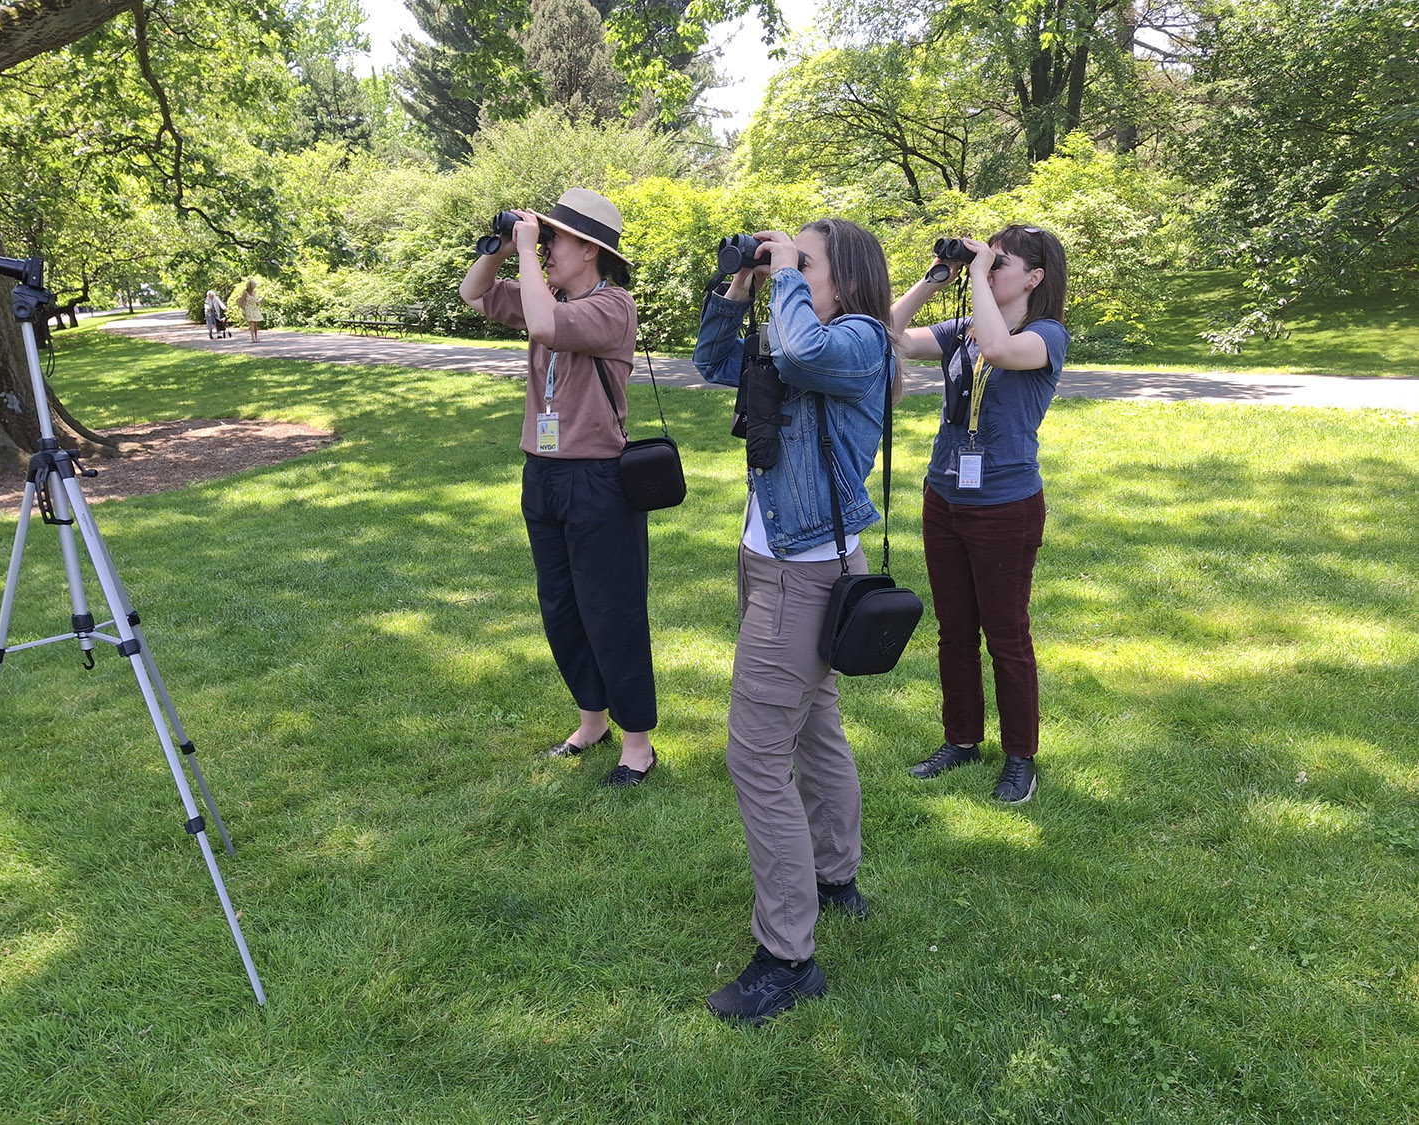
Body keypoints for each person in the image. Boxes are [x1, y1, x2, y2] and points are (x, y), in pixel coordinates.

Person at [693, 218, 898, 1025]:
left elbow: (806, 355)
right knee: (816, 727)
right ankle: (835, 875)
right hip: (778, 562)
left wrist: (781, 276)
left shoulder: (857, 338)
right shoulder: (789, 326)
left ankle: (787, 955)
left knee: (754, 760)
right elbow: (712, 363)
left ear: (843, 280)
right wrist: (740, 282)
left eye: (802, 261)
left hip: (802, 574)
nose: (786, 269)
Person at [458, 188, 658, 788]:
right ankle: (591, 720)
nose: (545, 247)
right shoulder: (549, 295)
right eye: (541, 237)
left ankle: (638, 743)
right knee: (562, 609)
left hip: (598, 478)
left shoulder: (613, 307)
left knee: (611, 610)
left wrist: (523, 248)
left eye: (554, 238)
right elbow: (474, 294)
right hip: (542, 473)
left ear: (591, 251)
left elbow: (545, 322)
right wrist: (498, 247)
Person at [890, 224, 1069, 804]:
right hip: (944, 495)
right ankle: (961, 739)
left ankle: (1021, 757)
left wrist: (975, 275)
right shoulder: (965, 327)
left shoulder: (1046, 335)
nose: (990, 269)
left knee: (1006, 635)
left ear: (1034, 278)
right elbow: (891, 333)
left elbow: (997, 350)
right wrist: (934, 277)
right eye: (988, 261)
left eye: (1002, 262)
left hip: (1005, 505)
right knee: (954, 632)